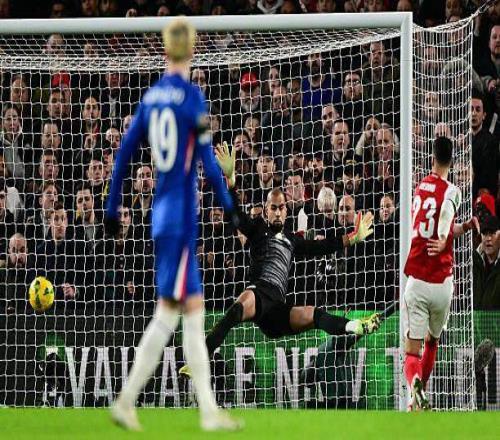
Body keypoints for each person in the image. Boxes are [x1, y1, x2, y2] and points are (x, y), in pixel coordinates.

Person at [104, 18, 241, 431]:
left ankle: (208, 411)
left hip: (160, 213)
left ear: (164, 50)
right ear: (193, 50)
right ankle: (127, 400)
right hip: (181, 217)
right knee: (169, 313)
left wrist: (112, 208)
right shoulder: (192, 98)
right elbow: (208, 163)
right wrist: (229, 206)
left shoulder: (150, 98)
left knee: (193, 312)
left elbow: (123, 155)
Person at [180, 143, 380, 376]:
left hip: (277, 308)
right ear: (266, 210)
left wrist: (353, 237)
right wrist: (231, 180)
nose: (277, 212)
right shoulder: (257, 229)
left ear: (286, 210)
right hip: (259, 294)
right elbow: (236, 216)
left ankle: (356, 326)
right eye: (273, 208)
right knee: (237, 308)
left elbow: (322, 246)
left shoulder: (292, 240)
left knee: (314, 314)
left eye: (281, 207)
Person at [403, 137, 479, 410]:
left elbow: (442, 220)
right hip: (442, 286)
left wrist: (458, 228)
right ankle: (417, 403)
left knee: (411, 352)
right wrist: (448, 234)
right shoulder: (453, 191)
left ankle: (414, 385)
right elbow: (445, 216)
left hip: (417, 282)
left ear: (432, 158)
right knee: (432, 342)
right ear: (452, 161)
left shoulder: (419, 188)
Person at [473, 215, 500, 310]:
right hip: (476, 319)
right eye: (484, 234)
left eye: (492, 233)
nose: (488, 238)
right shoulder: (472, 261)